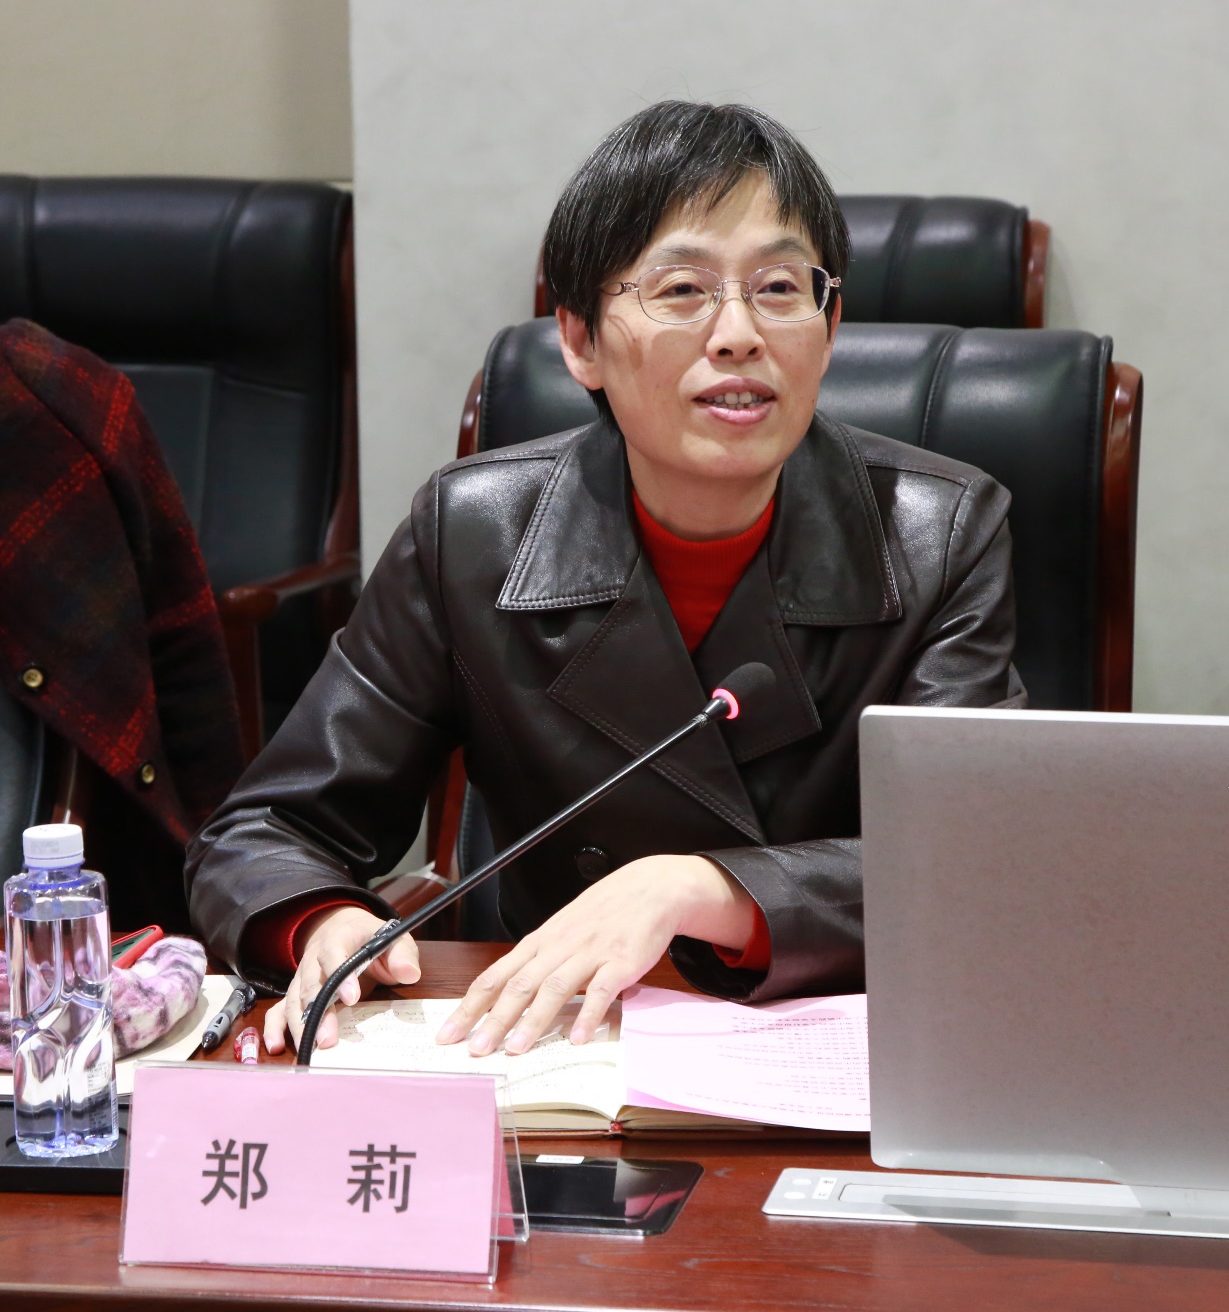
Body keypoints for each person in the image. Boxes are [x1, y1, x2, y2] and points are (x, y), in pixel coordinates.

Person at [186, 101, 1024, 1060]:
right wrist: (322, 920)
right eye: (682, 289)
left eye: (779, 287)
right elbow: (267, 828)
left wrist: (703, 888)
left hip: (831, 1052)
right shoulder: (471, 534)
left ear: (829, 327)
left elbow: (973, 865)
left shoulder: (940, 534)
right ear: (580, 340)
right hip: (556, 1049)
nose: (738, 333)